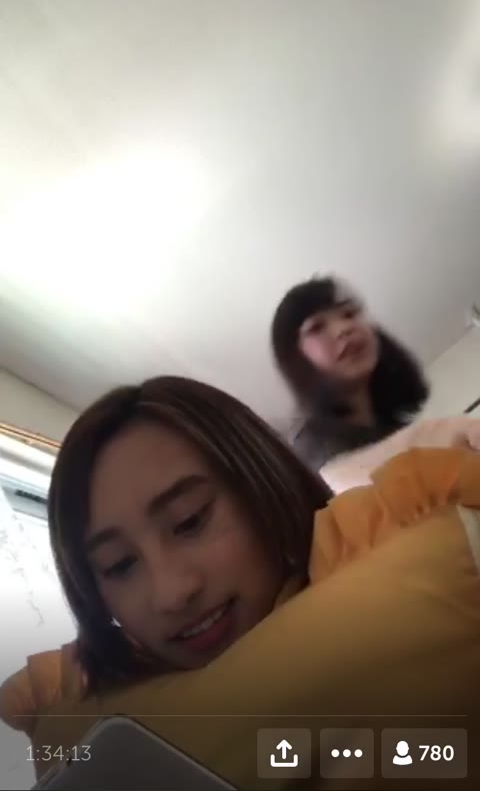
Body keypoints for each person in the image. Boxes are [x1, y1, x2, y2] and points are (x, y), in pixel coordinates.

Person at [2, 376, 480, 790]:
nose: (172, 592)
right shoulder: (82, 714)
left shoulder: (400, 534)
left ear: (260, 484)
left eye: (190, 521)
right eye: (120, 565)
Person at [271, 275, 480, 492]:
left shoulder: (392, 430)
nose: (343, 328)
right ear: (295, 358)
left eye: (349, 314)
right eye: (316, 327)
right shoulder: (308, 452)